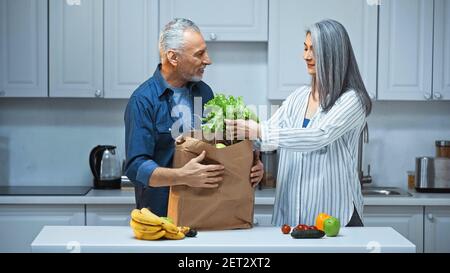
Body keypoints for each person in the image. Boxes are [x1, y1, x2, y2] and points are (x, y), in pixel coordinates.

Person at [226, 19, 372, 227]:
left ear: (334, 55)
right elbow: (266, 138)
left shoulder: (351, 100)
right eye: (305, 48)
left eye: (315, 50)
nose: (307, 56)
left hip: (335, 216)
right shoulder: (298, 97)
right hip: (292, 215)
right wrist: (253, 155)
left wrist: (259, 130)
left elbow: (319, 135)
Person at [124, 18, 264, 217]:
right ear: (173, 57)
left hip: (205, 212)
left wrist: (252, 163)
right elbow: (136, 167)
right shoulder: (143, 100)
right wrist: (181, 176)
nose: (208, 60)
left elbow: (218, 146)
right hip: (162, 218)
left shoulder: (204, 92)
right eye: (199, 54)